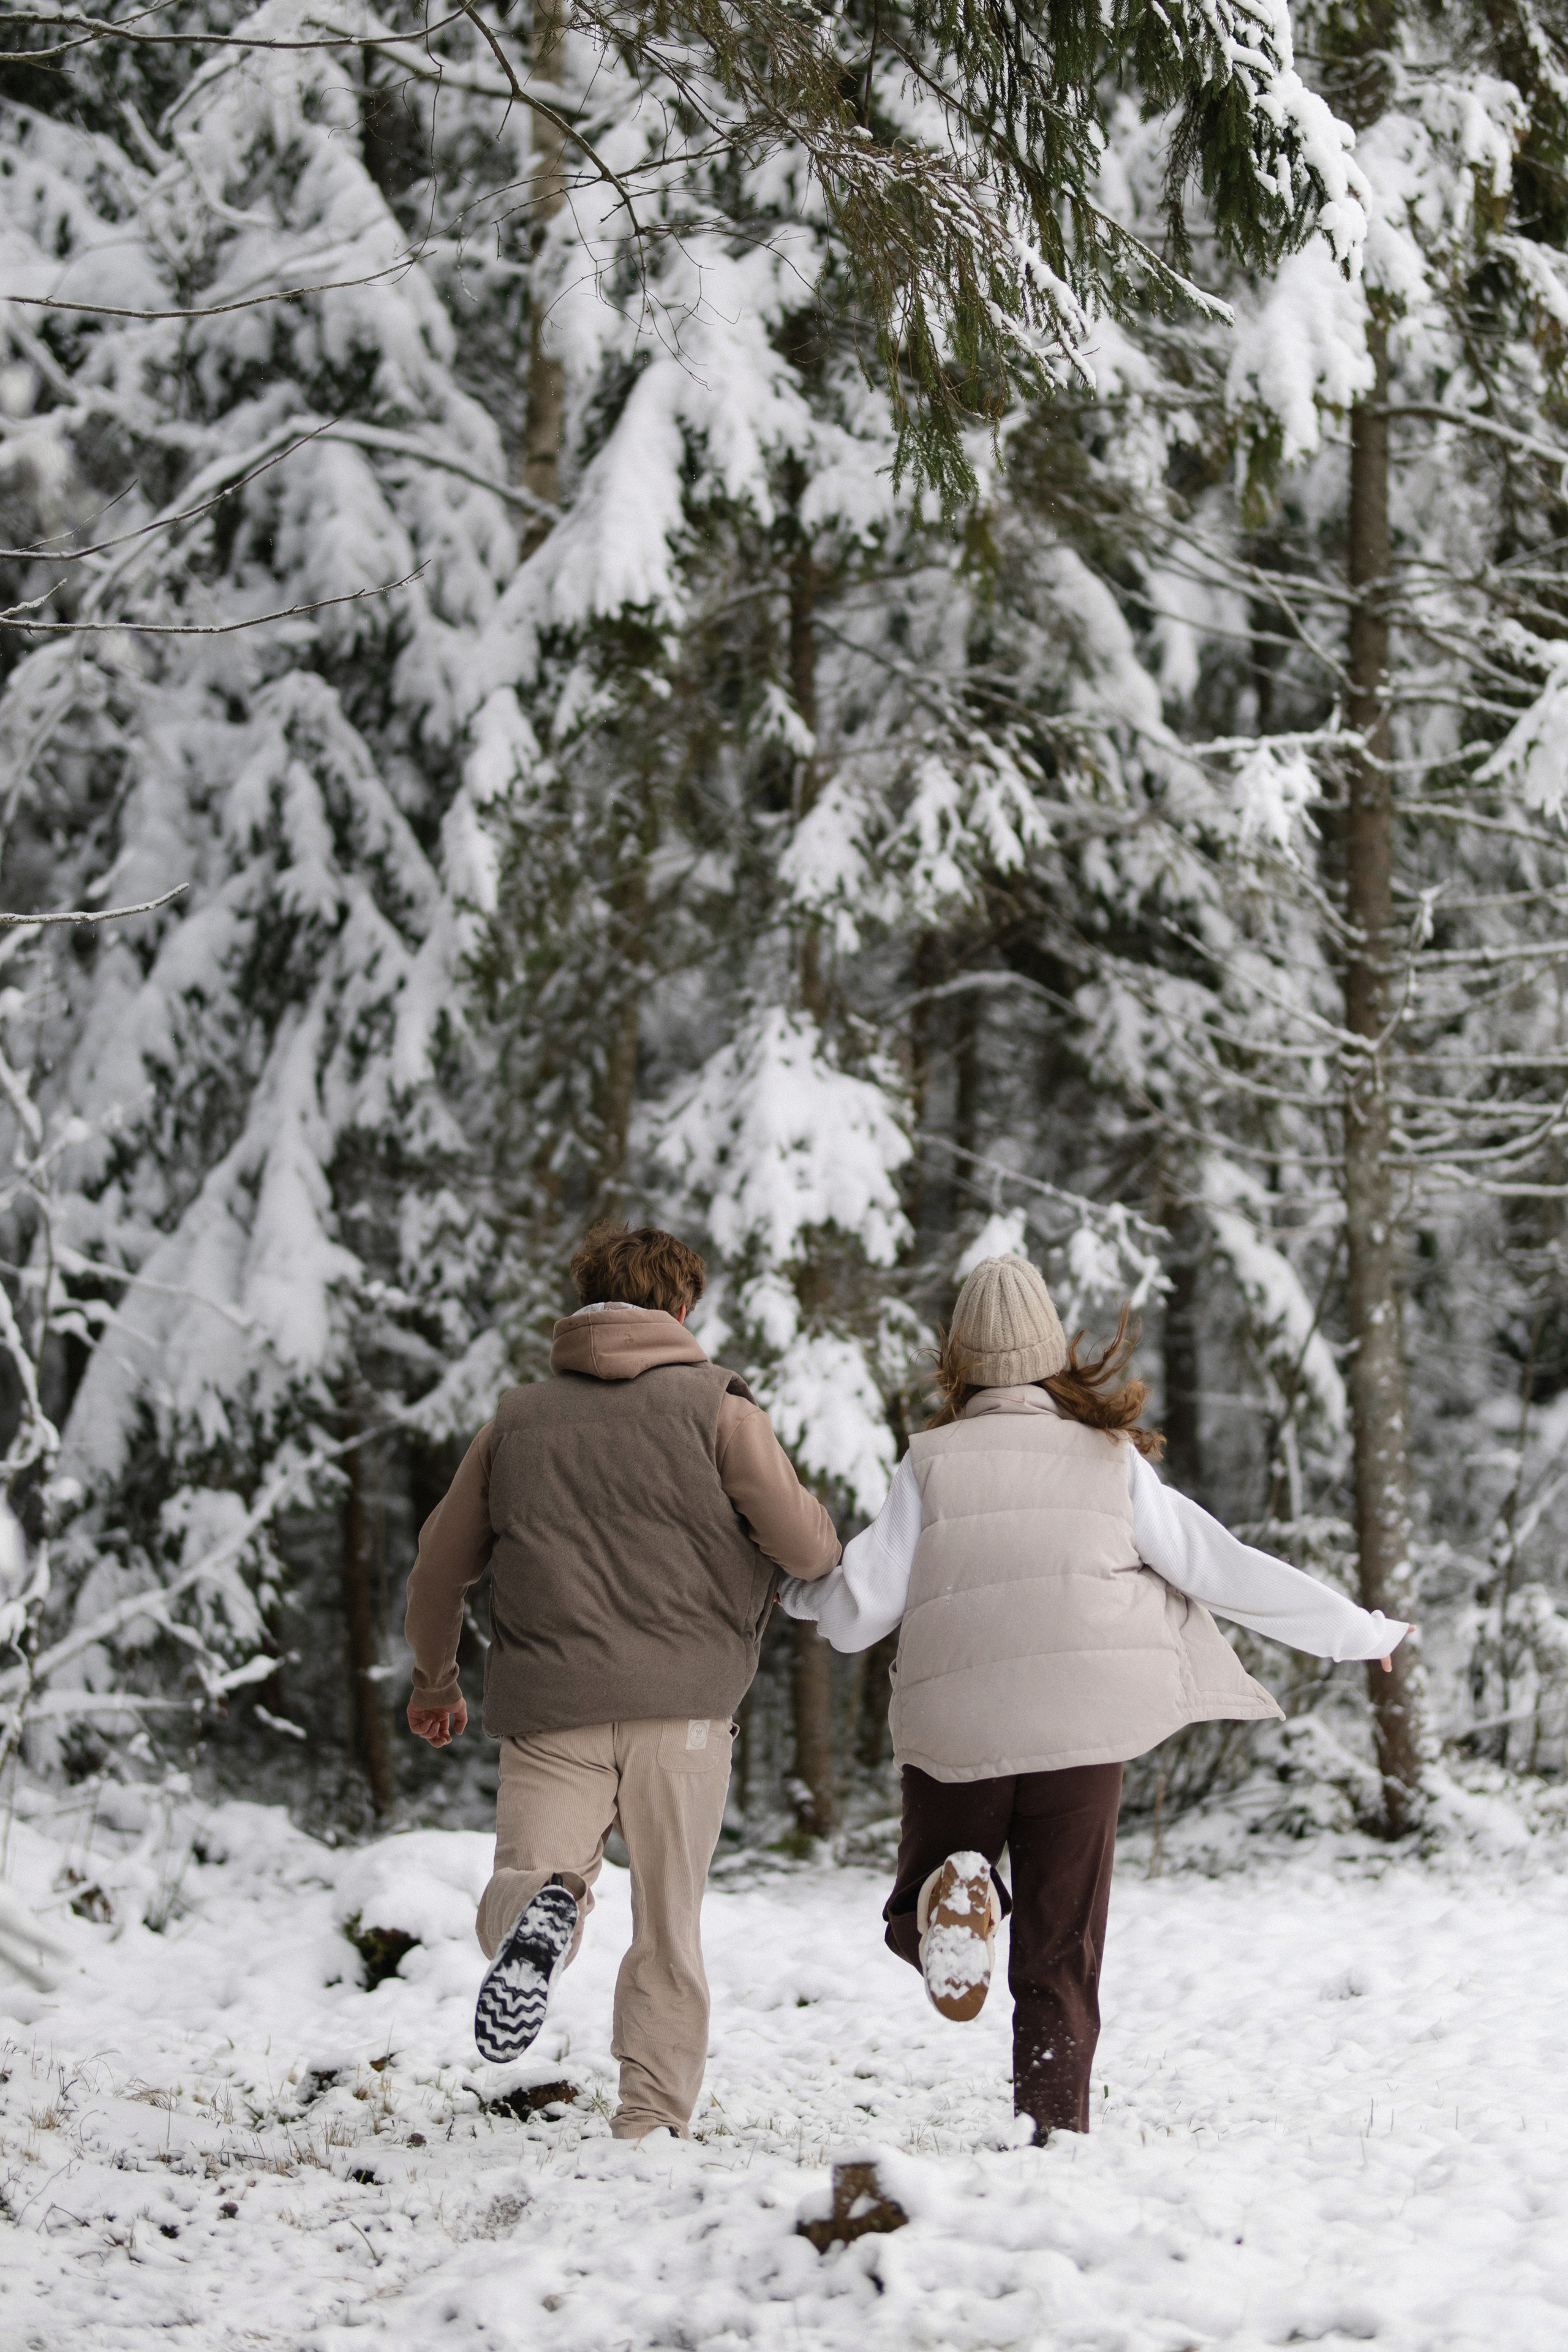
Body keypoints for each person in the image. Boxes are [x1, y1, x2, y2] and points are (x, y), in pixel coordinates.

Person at [778, 1253, 1411, 2144]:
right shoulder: (1110, 1460)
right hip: (1082, 1731)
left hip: (957, 1726)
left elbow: (858, 1614)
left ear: (958, 1361)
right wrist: (1360, 1632)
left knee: (912, 1912)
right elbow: (1219, 1564)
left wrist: (796, 1591)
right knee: (1061, 1950)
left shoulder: (931, 1462)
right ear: (1054, 1353)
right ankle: (1051, 2132)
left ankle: (961, 1895)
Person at [403, 1221, 840, 2143]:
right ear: (682, 1307)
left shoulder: (515, 1420)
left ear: (584, 1298)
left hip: (551, 1707)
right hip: (686, 1710)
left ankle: (541, 1915)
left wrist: (437, 1681)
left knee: (532, 1876)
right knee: (669, 1925)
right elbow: (806, 1547)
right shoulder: (720, 1409)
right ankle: (649, 2118)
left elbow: (440, 1567)